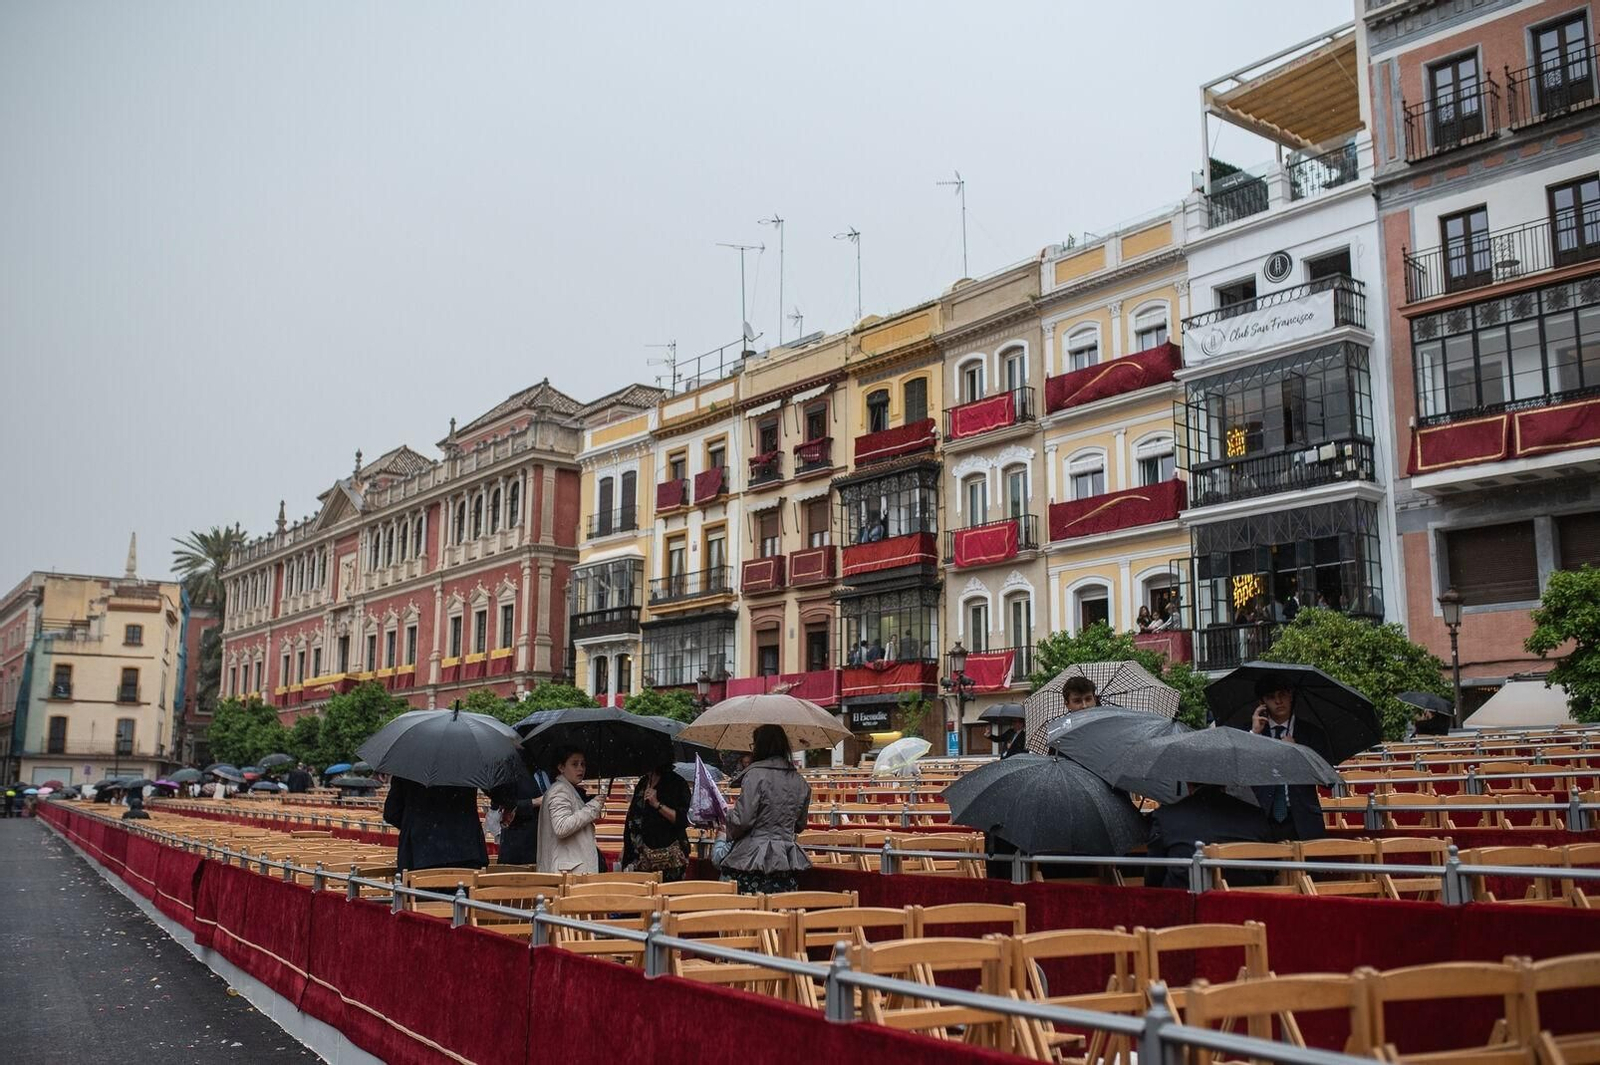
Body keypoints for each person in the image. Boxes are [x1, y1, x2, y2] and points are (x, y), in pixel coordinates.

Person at [721, 724, 811, 895]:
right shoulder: (800, 781)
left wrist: (727, 815)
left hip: (751, 859)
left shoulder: (754, 776)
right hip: (785, 859)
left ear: (760, 746)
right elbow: (799, 825)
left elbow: (743, 820)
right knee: (781, 916)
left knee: (748, 915)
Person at [1245, 678, 1329, 842]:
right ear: (1262, 702)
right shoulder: (1252, 732)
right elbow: (1242, 769)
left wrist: (1297, 752)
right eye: (1271, 697)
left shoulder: (1312, 733)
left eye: (1282, 694)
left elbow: (1325, 778)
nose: (1278, 701)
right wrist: (1254, 735)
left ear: (1291, 696)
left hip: (1303, 819)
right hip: (1263, 819)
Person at [1143, 785, 1271, 888]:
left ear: (1188, 785)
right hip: (1249, 904)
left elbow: (1153, 876)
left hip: (1185, 903)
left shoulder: (1166, 816)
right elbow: (1269, 870)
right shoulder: (1255, 815)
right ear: (1226, 784)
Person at [383, 776, 490, 873]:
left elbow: (391, 813)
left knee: (419, 894)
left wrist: (419, 826)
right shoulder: (468, 762)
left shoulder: (406, 765)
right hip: (467, 851)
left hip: (419, 853)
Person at [537, 746, 612, 874]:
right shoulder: (560, 790)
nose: (580, 768)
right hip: (567, 873)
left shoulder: (567, 789)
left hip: (569, 871)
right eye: (574, 764)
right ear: (561, 768)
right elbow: (561, 827)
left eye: (583, 764)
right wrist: (592, 808)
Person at [620, 758, 691, 881]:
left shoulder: (677, 783)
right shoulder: (643, 782)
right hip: (640, 859)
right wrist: (626, 848)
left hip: (669, 861)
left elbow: (684, 819)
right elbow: (633, 818)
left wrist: (657, 804)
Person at [489, 752, 551, 866]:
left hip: (544, 846)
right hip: (518, 848)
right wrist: (535, 802)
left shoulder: (548, 772)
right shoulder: (510, 771)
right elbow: (504, 805)